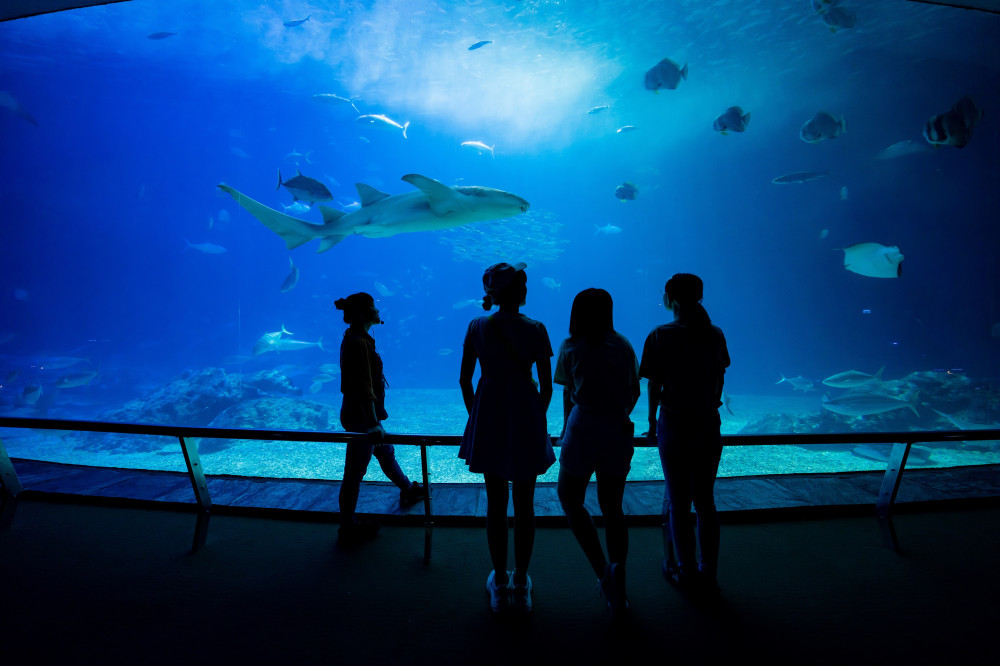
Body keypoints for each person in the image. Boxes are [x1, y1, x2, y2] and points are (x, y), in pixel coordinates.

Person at [458, 262, 555, 613]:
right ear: (519, 291)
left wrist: (477, 416)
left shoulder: (477, 326)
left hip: (490, 416)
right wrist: (535, 417)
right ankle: (521, 579)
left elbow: (465, 380)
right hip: (525, 416)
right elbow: (546, 387)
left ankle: (499, 580)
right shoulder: (537, 328)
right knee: (525, 503)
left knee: (496, 503)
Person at [639, 273, 730, 593]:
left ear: (670, 299)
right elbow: (720, 376)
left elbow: (653, 383)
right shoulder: (714, 333)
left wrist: (651, 423)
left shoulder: (660, 335)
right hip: (707, 422)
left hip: (674, 424)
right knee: (705, 501)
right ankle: (709, 572)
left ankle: (686, 571)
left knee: (679, 502)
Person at [554, 288, 640, 617]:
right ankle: (618, 573)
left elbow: (567, 394)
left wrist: (565, 431)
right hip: (617, 428)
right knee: (612, 506)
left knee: (570, 498)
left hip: (583, 427)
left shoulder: (571, 346)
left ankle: (603, 571)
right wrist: (618, 413)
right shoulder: (623, 345)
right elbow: (633, 390)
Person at [334, 292, 425, 544]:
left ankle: (407, 489)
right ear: (363, 313)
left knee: (385, 452)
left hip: (361, 414)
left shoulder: (358, 338)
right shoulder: (357, 342)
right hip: (361, 417)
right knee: (354, 472)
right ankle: (347, 527)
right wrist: (373, 422)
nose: (377, 311)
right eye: (373, 307)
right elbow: (364, 387)